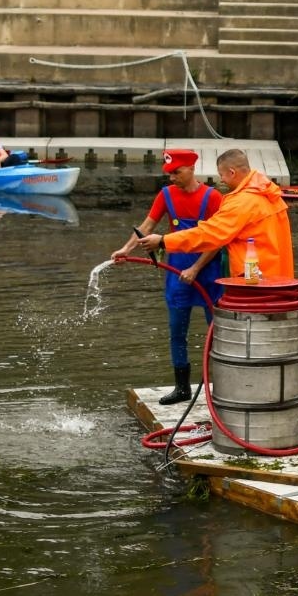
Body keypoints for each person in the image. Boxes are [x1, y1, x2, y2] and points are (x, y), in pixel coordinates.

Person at [111, 149, 227, 405]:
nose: (172, 177)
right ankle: (182, 388)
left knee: (217, 331)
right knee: (177, 331)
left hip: (207, 271)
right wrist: (126, 249)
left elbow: (218, 239)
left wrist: (196, 267)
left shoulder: (213, 197)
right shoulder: (166, 195)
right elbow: (147, 226)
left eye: (177, 172)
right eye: (169, 173)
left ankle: (221, 386)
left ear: (191, 169)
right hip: (176, 271)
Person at [133, 149, 294, 282]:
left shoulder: (241, 202)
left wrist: (163, 241)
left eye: (222, 175)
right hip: (279, 279)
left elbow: (209, 234)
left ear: (232, 172)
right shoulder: (270, 194)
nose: (222, 181)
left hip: (254, 280)